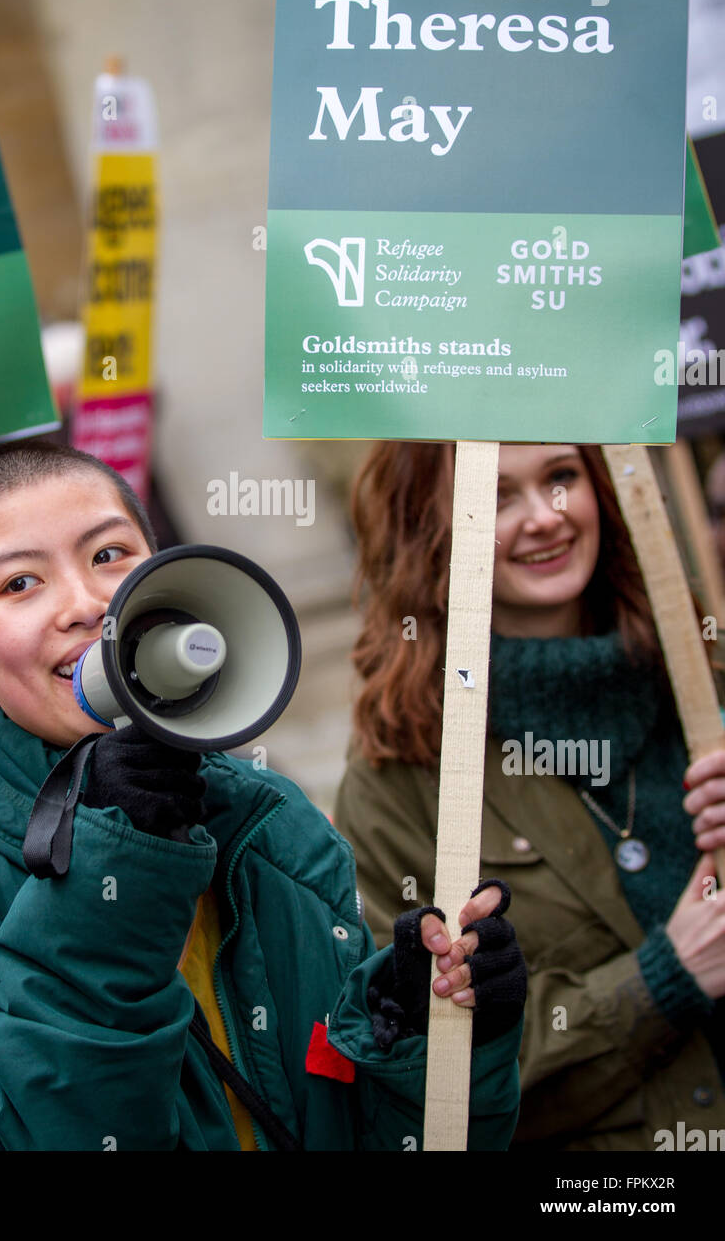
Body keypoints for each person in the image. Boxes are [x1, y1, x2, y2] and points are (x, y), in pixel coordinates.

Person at [0, 440, 525, 1151]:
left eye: (108, 556)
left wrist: (420, 1034)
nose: (87, 604)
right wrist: (114, 869)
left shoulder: (271, 819)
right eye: (19, 584)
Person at [334, 441, 725, 1151]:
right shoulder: (399, 775)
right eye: (497, 494)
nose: (545, 517)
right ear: (431, 528)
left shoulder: (706, 678)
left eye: (561, 477)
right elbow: (432, 1084)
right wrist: (665, 981)